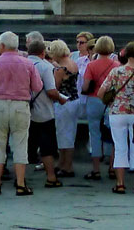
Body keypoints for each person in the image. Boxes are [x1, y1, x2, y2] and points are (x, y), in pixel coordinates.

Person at [0, 28, 41, 197]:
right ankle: (21, 184)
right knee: (21, 144)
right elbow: (38, 87)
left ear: (2, 45)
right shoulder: (27, 63)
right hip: (21, 105)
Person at [100, 40, 134, 194]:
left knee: (120, 147)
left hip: (117, 112)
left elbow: (101, 92)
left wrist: (113, 100)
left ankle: (120, 183)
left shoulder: (116, 71)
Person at [26, 31, 65, 188]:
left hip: (24, 110)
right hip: (43, 112)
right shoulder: (45, 67)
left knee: (24, 146)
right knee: (47, 146)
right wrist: (61, 99)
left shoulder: (22, 63)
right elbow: (51, 90)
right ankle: (51, 177)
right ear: (43, 52)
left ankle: (20, 178)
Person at [80, 35, 118, 180]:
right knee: (114, 134)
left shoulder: (91, 65)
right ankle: (113, 167)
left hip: (94, 99)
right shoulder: (116, 65)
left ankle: (96, 169)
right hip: (110, 101)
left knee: (94, 133)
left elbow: (85, 85)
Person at [49, 39, 81, 179]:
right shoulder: (73, 63)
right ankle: (64, 163)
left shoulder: (60, 69)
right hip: (74, 100)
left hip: (63, 103)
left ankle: (66, 166)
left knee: (62, 135)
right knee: (70, 133)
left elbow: (55, 88)